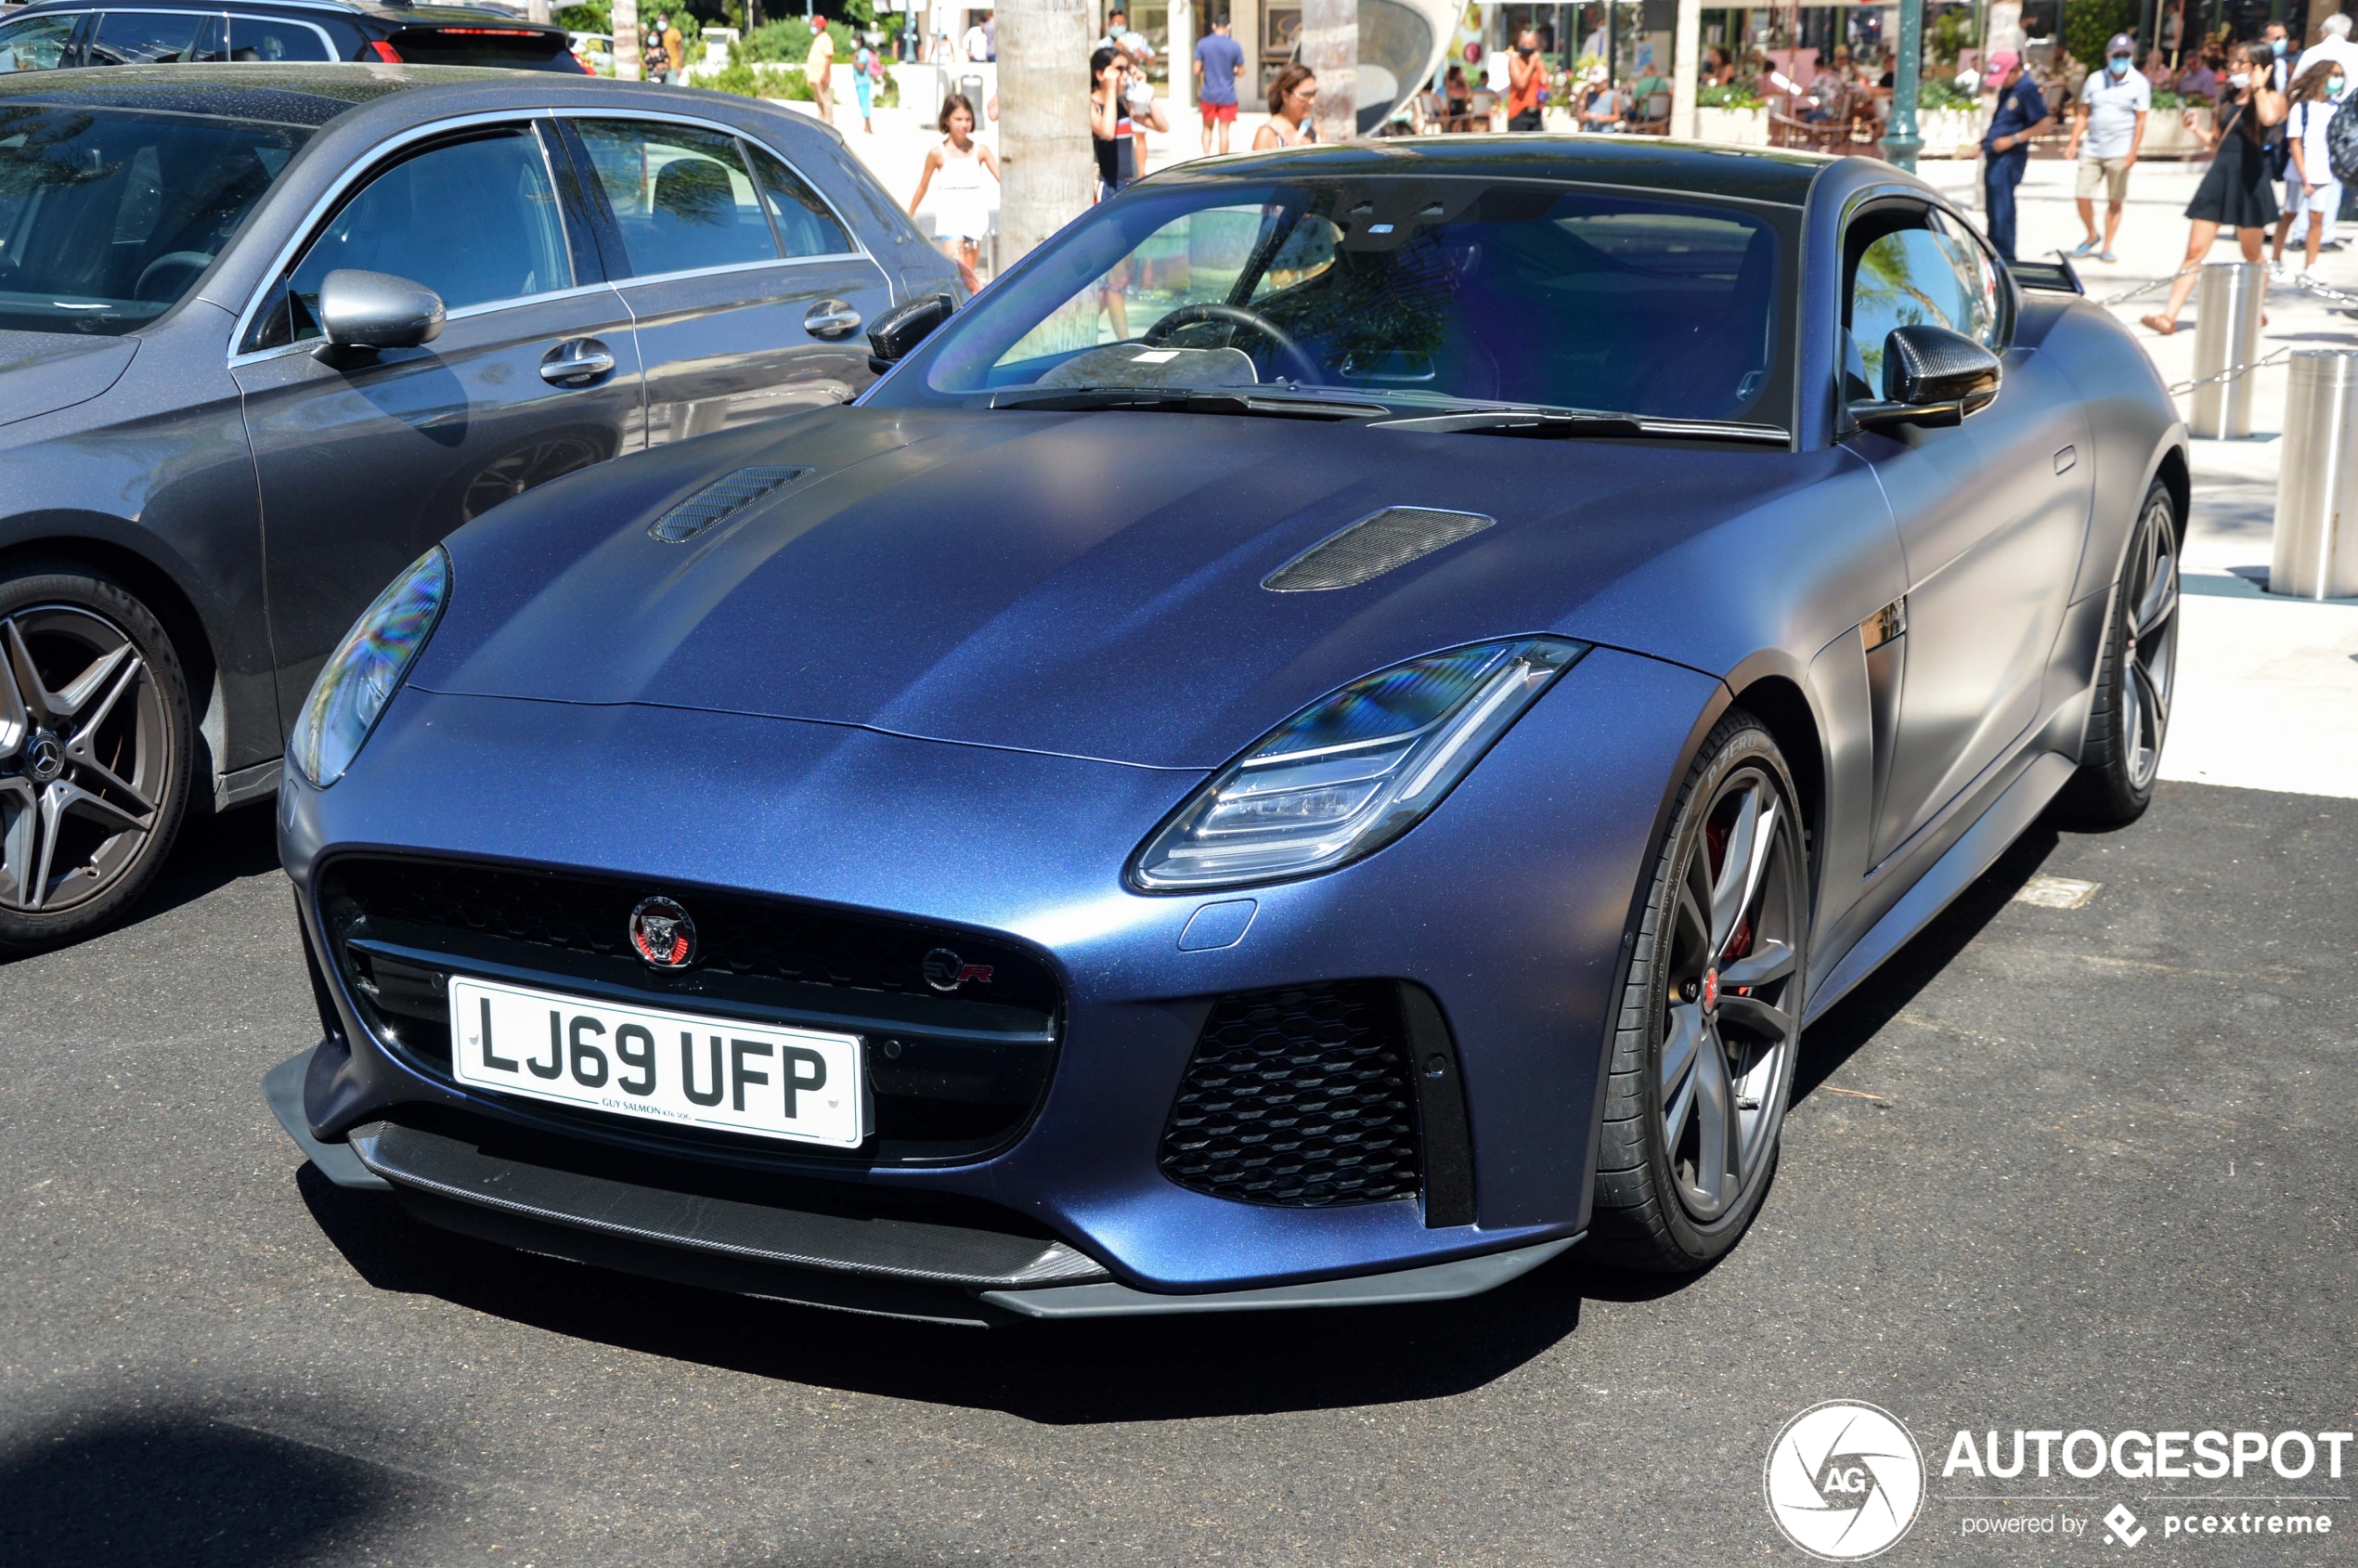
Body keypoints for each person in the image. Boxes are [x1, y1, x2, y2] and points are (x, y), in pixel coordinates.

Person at [2144, 43, 2287, 334]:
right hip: (2221, 173)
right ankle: (2168, 317)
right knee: (2194, 250)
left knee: (2252, 253)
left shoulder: (2273, 97)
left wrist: (2258, 88)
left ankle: (2255, 309)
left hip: (2250, 178)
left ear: (2260, 67)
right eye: (2235, 62)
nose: (2234, 68)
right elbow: (2216, 141)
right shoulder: (2227, 98)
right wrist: (2195, 128)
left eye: (2242, 63)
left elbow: (2269, 119)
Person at [2066, 32, 2150, 263]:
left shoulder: (2139, 83)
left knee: (2115, 200)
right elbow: (2083, 113)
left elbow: (2141, 119)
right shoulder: (2094, 80)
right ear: (2108, 55)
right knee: (2081, 195)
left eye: (2125, 55)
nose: (2121, 58)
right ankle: (2092, 234)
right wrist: (2073, 141)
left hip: (2120, 150)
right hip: (2093, 148)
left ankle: (2107, 246)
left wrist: (2133, 151)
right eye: (2117, 54)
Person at [908, 94, 999, 293]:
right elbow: (922, 187)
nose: (964, 124)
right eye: (958, 119)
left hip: (975, 220)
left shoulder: (980, 151)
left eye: (967, 119)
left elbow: (1002, 178)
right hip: (951, 220)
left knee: (969, 279)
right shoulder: (937, 153)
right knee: (965, 279)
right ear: (947, 120)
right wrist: (908, 216)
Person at [2274, 57, 2345, 279]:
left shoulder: (2336, 108)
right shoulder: (2301, 107)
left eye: (2340, 75)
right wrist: (2304, 176)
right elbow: (2294, 141)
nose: (2338, 79)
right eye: (2334, 74)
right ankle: (2275, 259)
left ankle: (2310, 265)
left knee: (2317, 218)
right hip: (2299, 172)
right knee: (2290, 214)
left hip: (2324, 172)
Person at [1979, 50, 2054, 260]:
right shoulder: (2009, 88)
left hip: (2009, 158)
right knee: (1993, 211)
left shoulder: (2027, 89)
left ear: (2015, 70)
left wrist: (2011, 140)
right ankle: (1994, 253)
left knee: (2003, 212)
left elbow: (2044, 123)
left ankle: (2005, 258)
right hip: (1996, 155)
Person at [1194, 14, 1245, 153]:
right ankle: (1222, 161)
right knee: (1224, 132)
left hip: (1208, 94)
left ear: (1213, 25)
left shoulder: (1202, 44)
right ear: (1229, 26)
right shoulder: (1234, 46)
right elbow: (1241, 72)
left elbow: (1196, 69)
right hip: (1227, 94)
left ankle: (1205, 157)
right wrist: (1232, 70)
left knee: (1207, 128)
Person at [1255, 62, 1318, 147]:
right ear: (1285, 95)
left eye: (1313, 94)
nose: (1312, 101)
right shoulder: (1268, 135)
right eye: (1305, 95)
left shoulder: (1313, 128)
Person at [1506, 26, 1545, 130]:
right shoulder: (1514, 61)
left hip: (1535, 112)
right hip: (1519, 113)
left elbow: (1544, 80)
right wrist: (1531, 65)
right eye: (1524, 44)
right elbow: (1521, 83)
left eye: (1531, 44)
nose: (1527, 47)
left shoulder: (1537, 61)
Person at [805, 15, 836, 126]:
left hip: (821, 74)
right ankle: (821, 117)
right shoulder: (818, 38)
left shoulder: (826, 38)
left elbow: (828, 57)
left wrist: (825, 73)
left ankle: (828, 120)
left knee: (825, 98)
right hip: (815, 74)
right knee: (818, 98)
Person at [1577, 65, 1625, 131]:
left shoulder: (1612, 95)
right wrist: (1589, 117)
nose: (1595, 85)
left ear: (1605, 80)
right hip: (1589, 132)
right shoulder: (1588, 94)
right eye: (1593, 83)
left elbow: (1617, 116)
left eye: (1597, 83)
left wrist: (1605, 118)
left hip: (1606, 132)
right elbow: (1581, 115)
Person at [851, 36, 880, 133]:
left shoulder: (863, 52)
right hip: (861, 81)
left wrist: (854, 59)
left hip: (863, 81)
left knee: (864, 103)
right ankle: (867, 125)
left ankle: (868, 125)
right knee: (863, 102)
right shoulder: (861, 51)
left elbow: (861, 67)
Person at [661, 14, 683, 83]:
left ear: (667, 21)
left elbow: (681, 50)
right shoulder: (658, 35)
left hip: (673, 67)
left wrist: (679, 67)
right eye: (659, 20)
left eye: (663, 20)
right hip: (660, 67)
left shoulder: (674, 33)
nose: (660, 22)